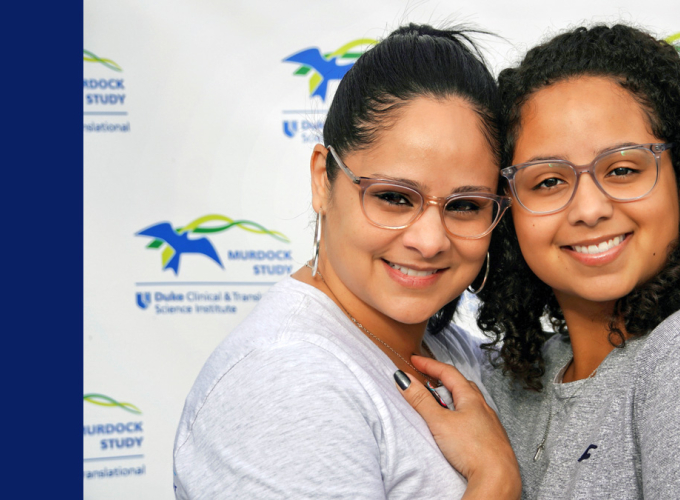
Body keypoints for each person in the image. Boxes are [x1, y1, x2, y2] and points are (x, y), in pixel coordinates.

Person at [405, 24, 680, 499]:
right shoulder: (510, 380)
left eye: (623, 169)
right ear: (506, 208)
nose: (590, 209)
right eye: (548, 181)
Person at [171, 24, 520, 499]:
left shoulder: (447, 348)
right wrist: (494, 479)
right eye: (395, 197)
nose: (430, 240)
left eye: (465, 205)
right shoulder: (286, 381)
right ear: (322, 179)